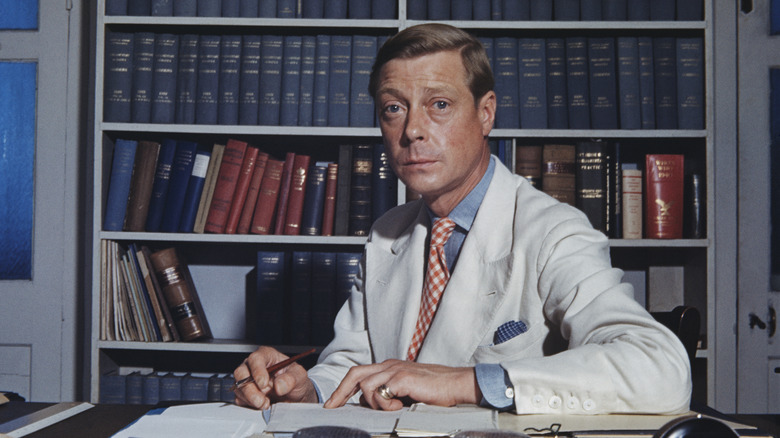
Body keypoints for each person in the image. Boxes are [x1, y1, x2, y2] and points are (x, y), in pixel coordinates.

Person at [233, 23, 692, 415]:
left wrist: (466, 383)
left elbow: (660, 369)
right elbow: (355, 365)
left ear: (485, 112)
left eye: (439, 105)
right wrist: (304, 388)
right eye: (394, 108)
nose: (411, 130)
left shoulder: (554, 232)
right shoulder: (386, 233)